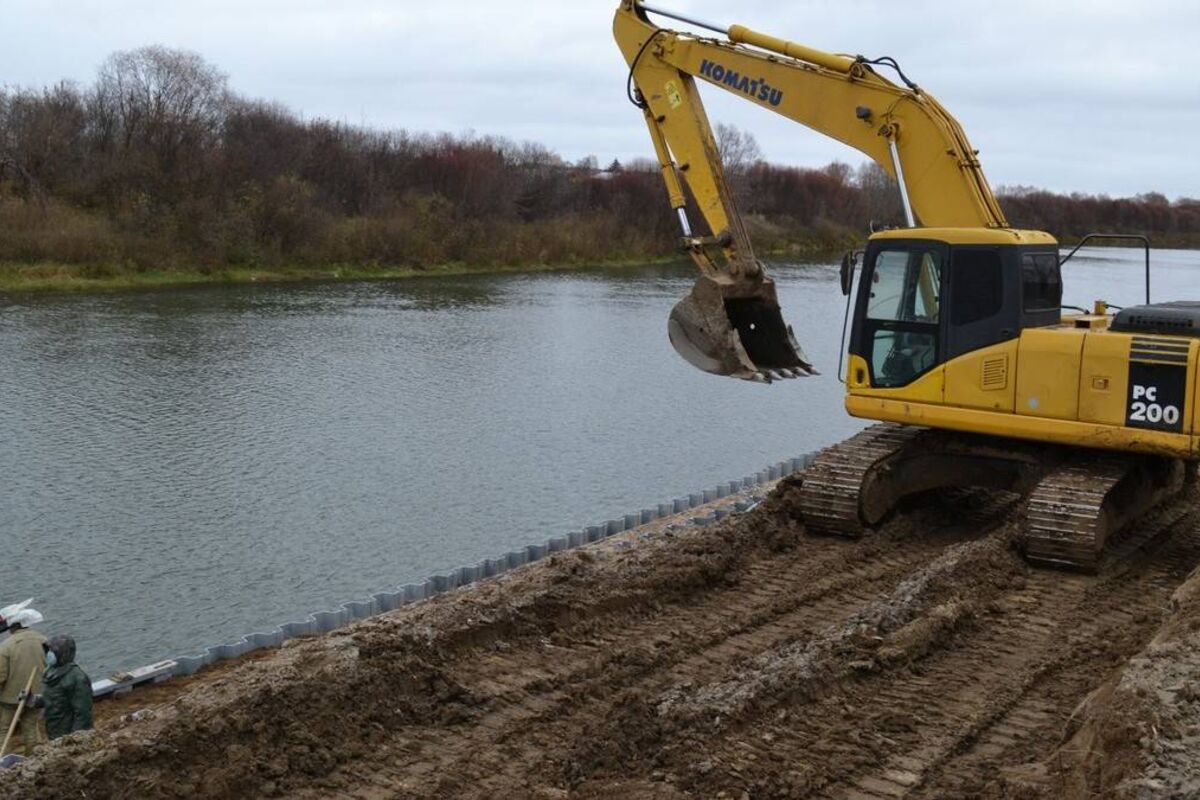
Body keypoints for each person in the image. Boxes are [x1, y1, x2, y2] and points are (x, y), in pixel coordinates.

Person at [0, 603, 47, 755]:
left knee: (3, 730)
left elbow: (1, 676)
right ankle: (33, 757)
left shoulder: (6, 647)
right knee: (31, 726)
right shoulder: (43, 640)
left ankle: (4, 763)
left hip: (10, 698)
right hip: (35, 695)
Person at [29, 635, 92, 740]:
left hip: (70, 734)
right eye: (48, 651)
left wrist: (74, 739)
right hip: (55, 730)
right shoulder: (50, 671)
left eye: (52, 651)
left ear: (63, 654)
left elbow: (82, 712)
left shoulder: (77, 678)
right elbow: (53, 698)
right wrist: (33, 700)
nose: (49, 654)